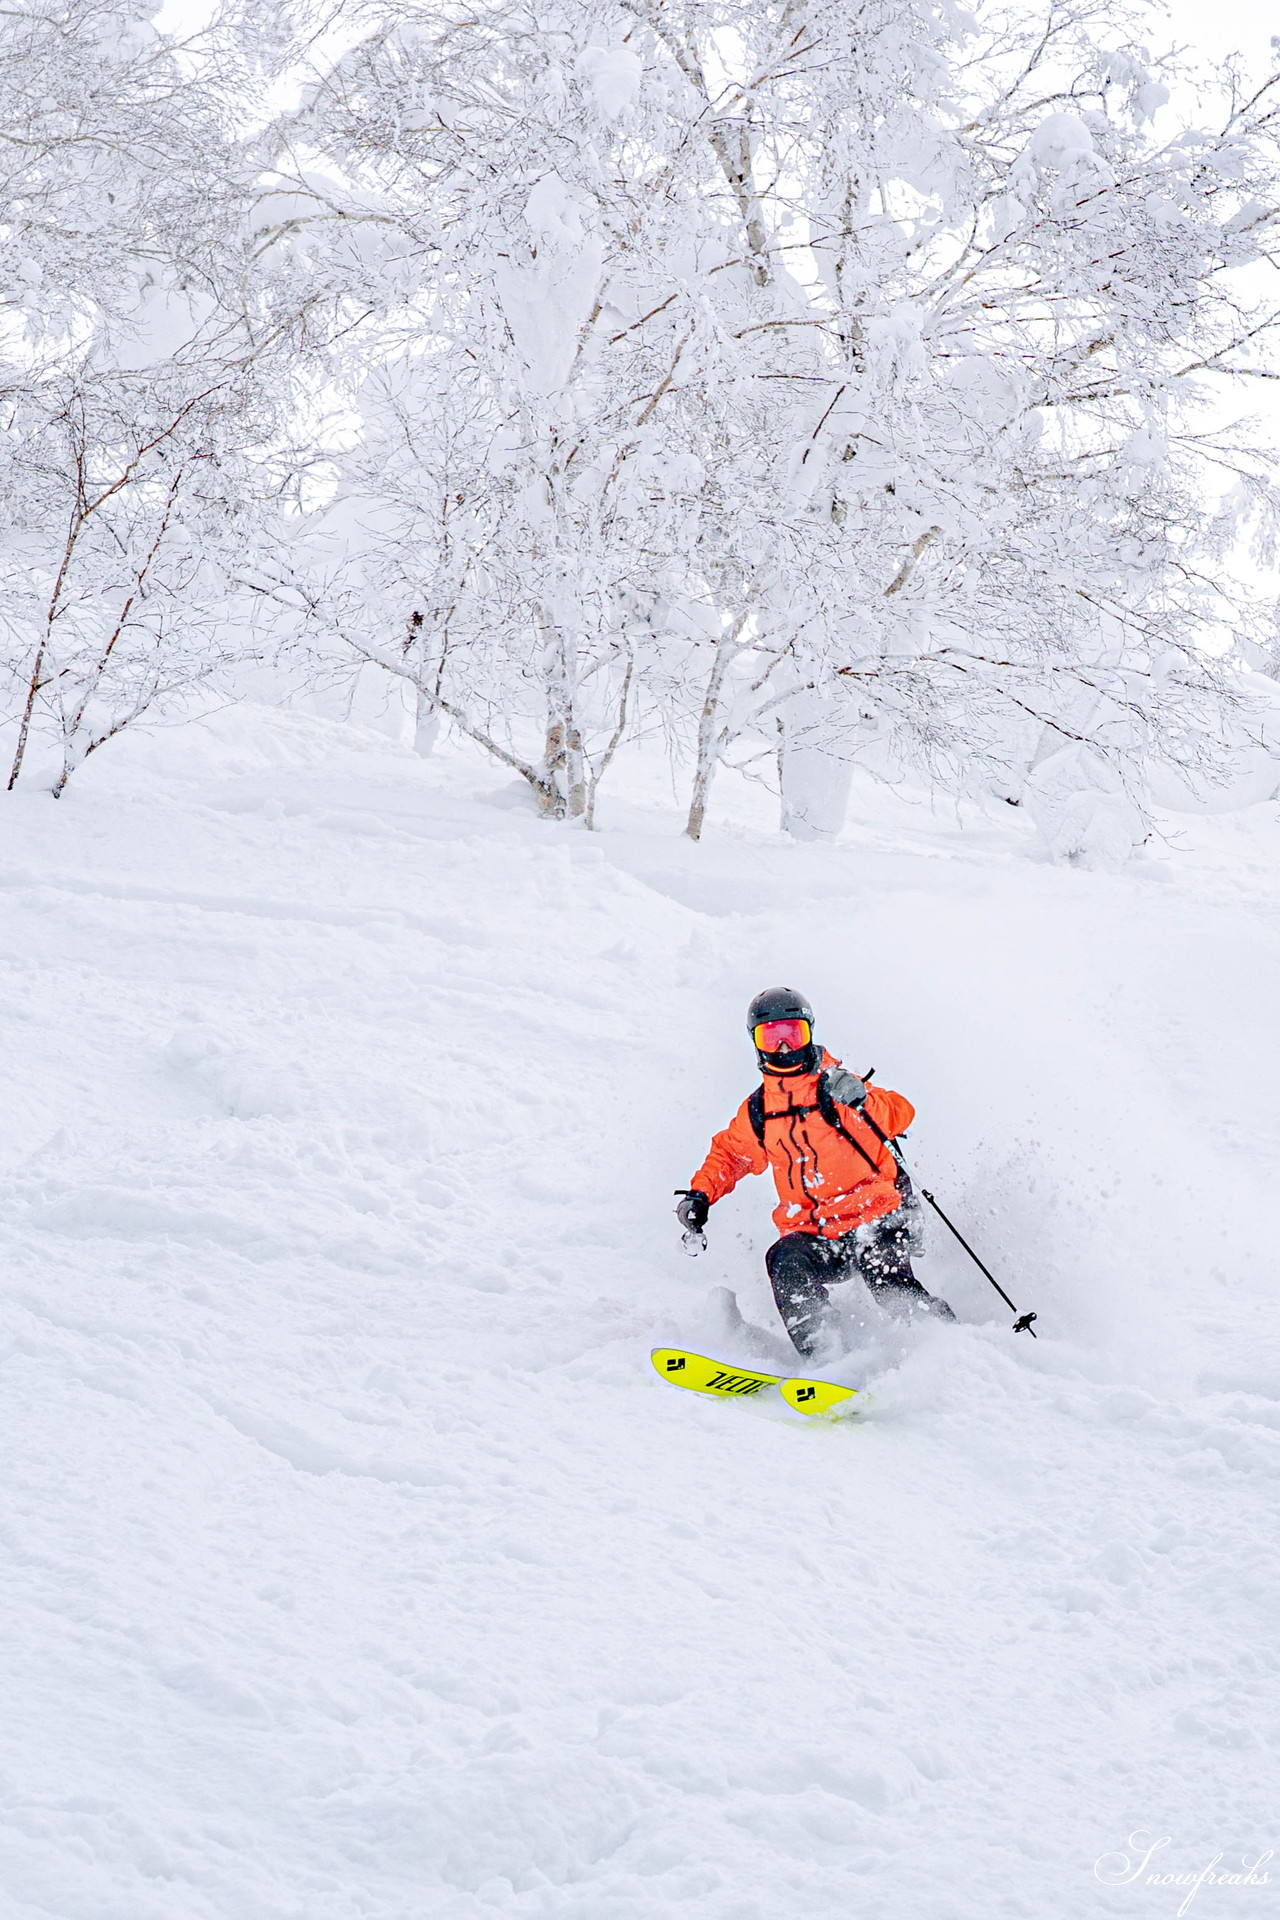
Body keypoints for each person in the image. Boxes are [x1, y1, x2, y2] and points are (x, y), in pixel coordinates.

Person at [677, 988, 954, 1356]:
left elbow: (900, 1112)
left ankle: (944, 1342)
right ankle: (827, 1354)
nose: (783, 1048)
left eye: (792, 1034)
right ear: (755, 1043)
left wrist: (863, 1098)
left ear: (809, 1033)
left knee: (885, 1276)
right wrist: (701, 1194)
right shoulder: (761, 1109)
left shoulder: (836, 1088)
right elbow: (730, 1154)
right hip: (816, 1233)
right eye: (770, 1037)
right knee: (785, 1261)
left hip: (876, 1218)